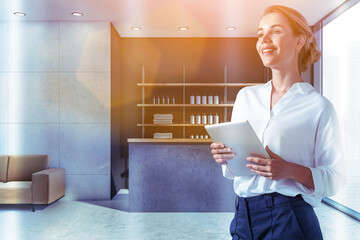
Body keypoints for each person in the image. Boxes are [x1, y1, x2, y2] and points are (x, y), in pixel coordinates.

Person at [210, 5, 345, 240]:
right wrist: (226, 157)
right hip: (243, 216)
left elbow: (335, 177)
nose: (264, 39)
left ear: (299, 40)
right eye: (260, 33)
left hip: (289, 217)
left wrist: (289, 170)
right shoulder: (246, 97)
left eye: (275, 31)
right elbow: (233, 173)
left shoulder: (318, 107)